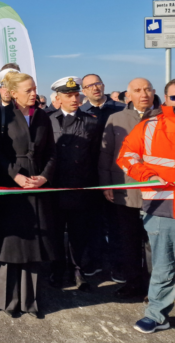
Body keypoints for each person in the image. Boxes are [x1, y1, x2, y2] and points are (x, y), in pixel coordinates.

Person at [0, 71, 57, 318]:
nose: (33, 93)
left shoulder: (43, 117)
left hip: (37, 187)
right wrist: (15, 176)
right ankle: (7, 300)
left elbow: (51, 152)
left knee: (34, 245)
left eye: (34, 88)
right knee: (12, 244)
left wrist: (45, 177)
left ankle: (31, 301)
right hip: (12, 189)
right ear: (13, 92)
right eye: (27, 90)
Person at [117, 88, 175, 334]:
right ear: (166, 98)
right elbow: (126, 156)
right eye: (174, 96)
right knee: (163, 266)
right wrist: (147, 175)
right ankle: (156, 315)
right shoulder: (149, 126)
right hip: (162, 206)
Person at [99, 78, 159, 299]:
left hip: (158, 193)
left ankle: (155, 289)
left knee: (154, 244)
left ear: (153, 92)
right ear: (128, 96)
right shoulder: (116, 119)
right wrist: (106, 184)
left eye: (147, 89)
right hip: (125, 191)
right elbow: (107, 154)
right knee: (129, 240)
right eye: (137, 90)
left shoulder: (165, 118)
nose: (144, 93)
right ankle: (133, 283)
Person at [47, 77, 100, 292]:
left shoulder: (91, 121)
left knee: (79, 233)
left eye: (76, 94)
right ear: (58, 98)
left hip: (81, 187)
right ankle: (57, 269)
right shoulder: (48, 120)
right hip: (55, 189)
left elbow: (96, 155)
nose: (74, 99)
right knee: (55, 232)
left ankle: (78, 270)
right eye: (69, 95)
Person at [79, 74, 125, 277]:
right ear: (84, 91)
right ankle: (95, 261)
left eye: (97, 84)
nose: (94, 88)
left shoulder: (120, 109)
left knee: (116, 223)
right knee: (92, 222)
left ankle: (118, 265)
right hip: (90, 177)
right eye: (89, 86)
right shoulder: (81, 113)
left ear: (103, 85)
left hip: (116, 174)